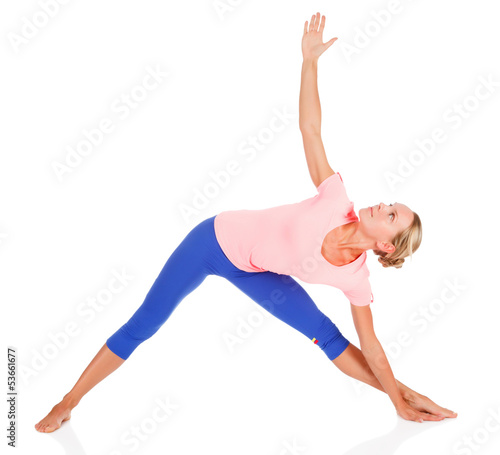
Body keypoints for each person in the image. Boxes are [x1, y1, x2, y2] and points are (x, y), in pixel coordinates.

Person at [35, 12, 457, 433]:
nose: (381, 206)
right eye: (389, 204)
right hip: (212, 242)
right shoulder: (336, 199)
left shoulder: (357, 281)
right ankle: (67, 402)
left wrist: (397, 396)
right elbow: (311, 130)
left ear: (386, 245)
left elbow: (373, 348)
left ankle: (406, 397)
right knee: (145, 323)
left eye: (390, 215)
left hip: (257, 272)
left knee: (327, 337)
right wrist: (310, 62)